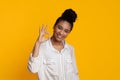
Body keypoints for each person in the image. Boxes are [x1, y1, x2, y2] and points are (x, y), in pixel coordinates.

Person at [28, 8, 79, 80]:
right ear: (54, 26)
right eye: (59, 28)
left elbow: (75, 74)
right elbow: (33, 69)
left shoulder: (70, 49)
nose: (61, 33)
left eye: (66, 31)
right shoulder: (42, 47)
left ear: (68, 33)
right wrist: (37, 43)